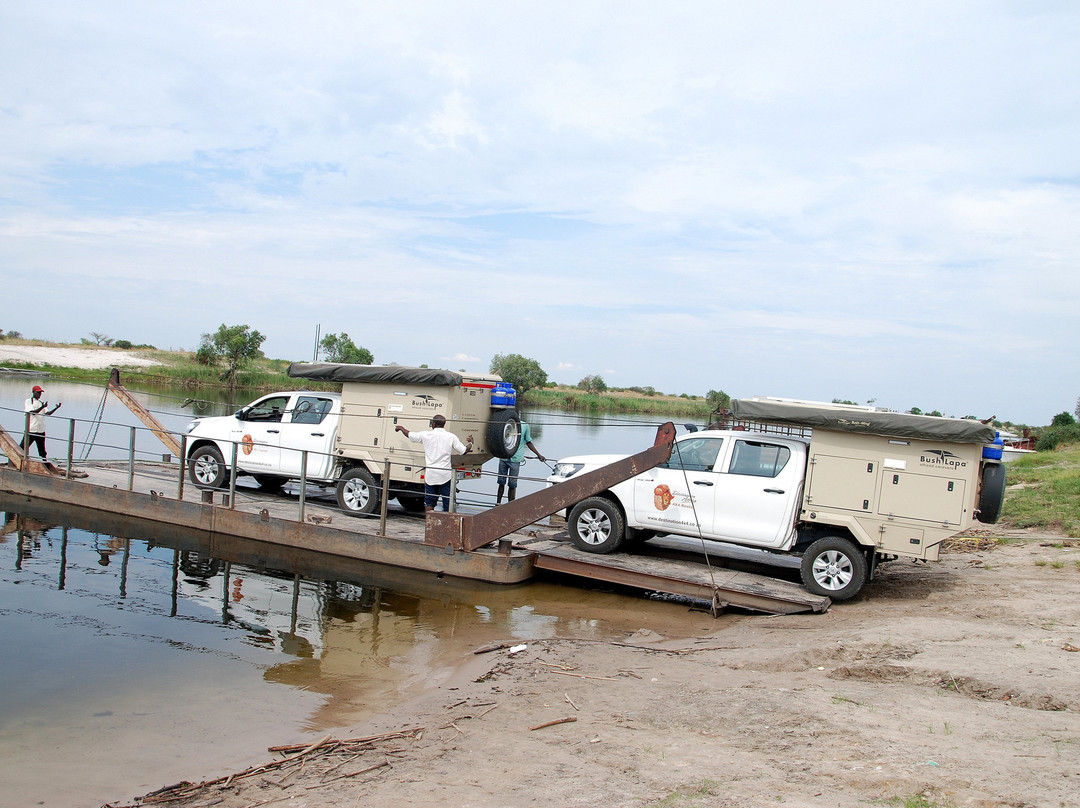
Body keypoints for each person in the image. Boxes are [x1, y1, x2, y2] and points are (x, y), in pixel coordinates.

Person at [394, 414, 473, 512]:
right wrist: (471, 443)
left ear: (434, 424)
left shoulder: (426, 435)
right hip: (445, 475)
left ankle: (430, 524)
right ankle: (447, 524)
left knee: (429, 503)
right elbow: (464, 451)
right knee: (448, 503)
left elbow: (410, 435)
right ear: (444, 424)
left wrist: (401, 428)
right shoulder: (451, 437)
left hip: (431, 475)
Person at [496, 414, 545, 504]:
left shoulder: (524, 426)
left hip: (515, 459)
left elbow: (528, 442)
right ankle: (498, 503)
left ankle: (511, 505)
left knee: (512, 484)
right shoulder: (505, 424)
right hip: (504, 457)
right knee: (501, 482)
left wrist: (539, 455)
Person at [23, 384, 61, 460]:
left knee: (42, 451)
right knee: (23, 447)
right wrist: (42, 407)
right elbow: (33, 412)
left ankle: (45, 464)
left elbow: (48, 413)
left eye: (40, 392)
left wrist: (56, 408)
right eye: (38, 392)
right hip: (31, 430)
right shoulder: (29, 401)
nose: (39, 394)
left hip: (40, 430)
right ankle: (16, 461)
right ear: (33, 392)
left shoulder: (41, 402)